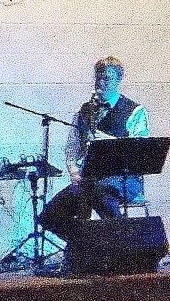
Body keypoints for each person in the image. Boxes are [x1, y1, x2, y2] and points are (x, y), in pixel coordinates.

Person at [61, 56, 151, 224]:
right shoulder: (84, 111)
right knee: (52, 213)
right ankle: (85, 239)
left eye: (106, 78)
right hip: (91, 178)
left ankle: (120, 236)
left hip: (125, 178)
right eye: (98, 78)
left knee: (98, 193)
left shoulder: (135, 111)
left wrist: (111, 142)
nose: (100, 83)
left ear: (119, 80)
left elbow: (140, 152)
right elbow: (72, 147)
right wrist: (74, 171)